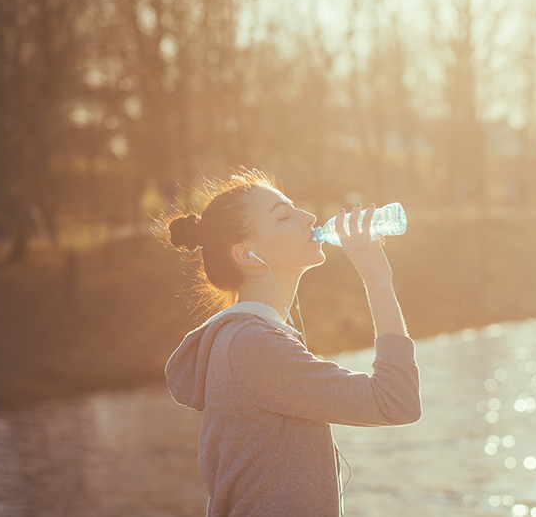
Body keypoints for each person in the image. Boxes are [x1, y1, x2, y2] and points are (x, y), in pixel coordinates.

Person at [155, 169, 421, 517]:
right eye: (283, 216)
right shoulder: (251, 346)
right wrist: (377, 277)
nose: (308, 217)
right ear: (248, 255)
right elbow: (396, 400)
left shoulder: (256, 337)